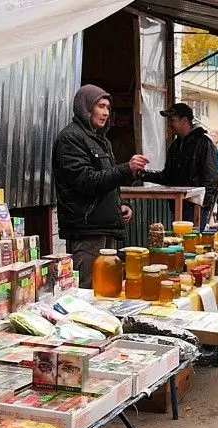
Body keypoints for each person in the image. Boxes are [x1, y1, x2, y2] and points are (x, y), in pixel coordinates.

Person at [52, 84, 148, 289]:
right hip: (86, 229)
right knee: (88, 289)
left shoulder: (101, 140)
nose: (105, 113)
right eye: (101, 106)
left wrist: (121, 204)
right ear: (85, 108)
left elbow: (106, 181)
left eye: (108, 108)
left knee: (108, 288)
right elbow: (86, 181)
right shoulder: (70, 138)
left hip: (105, 226)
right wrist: (125, 169)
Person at [144, 103, 218, 229]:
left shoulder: (204, 143)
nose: (169, 124)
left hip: (196, 207)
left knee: (192, 244)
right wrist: (143, 174)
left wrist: (202, 207)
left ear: (184, 120)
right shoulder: (175, 145)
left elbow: (211, 180)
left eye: (172, 120)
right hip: (178, 206)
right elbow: (167, 176)